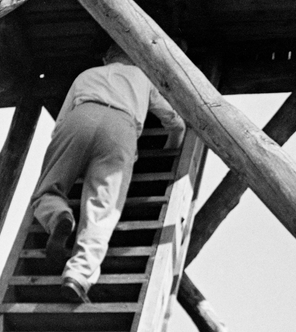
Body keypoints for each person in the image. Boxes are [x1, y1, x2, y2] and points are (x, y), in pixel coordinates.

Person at [31, 42, 185, 302]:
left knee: (48, 188)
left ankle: (57, 215)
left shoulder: (87, 74)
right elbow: (174, 121)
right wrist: (171, 148)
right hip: (121, 128)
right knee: (103, 206)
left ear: (106, 58)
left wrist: (67, 157)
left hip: (81, 117)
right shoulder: (142, 78)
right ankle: (78, 275)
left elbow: (60, 124)